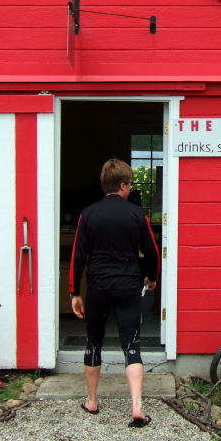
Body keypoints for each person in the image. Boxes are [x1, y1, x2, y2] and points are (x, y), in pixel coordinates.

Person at [70, 158, 159, 427]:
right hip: (127, 287)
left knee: (93, 342)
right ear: (122, 185)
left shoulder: (88, 214)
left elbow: (77, 256)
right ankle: (136, 407)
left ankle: (92, 401)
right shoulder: (136, 214)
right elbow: (153, 252)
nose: (131, 188)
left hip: (98, 288)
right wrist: (151, 278)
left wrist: (75, 293)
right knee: (131, 345)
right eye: (130, 184)